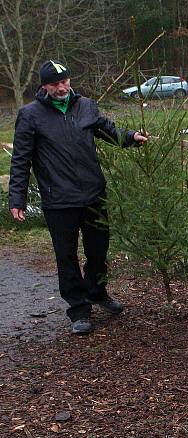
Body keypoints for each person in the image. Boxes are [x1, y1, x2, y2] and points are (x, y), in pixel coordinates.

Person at [8, 60, 149, 335]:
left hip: (94, 195)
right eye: (55, 84)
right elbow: (21, 159)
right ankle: (79, 309)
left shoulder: (86, 106)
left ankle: (97, 292)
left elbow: (111, 132)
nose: (61, 88)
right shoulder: (30, 116)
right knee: (67, 257)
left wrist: (132, 136)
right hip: (59, 201)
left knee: (98, 251)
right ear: (44, 86)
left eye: (65, 82)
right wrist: (17, 198)